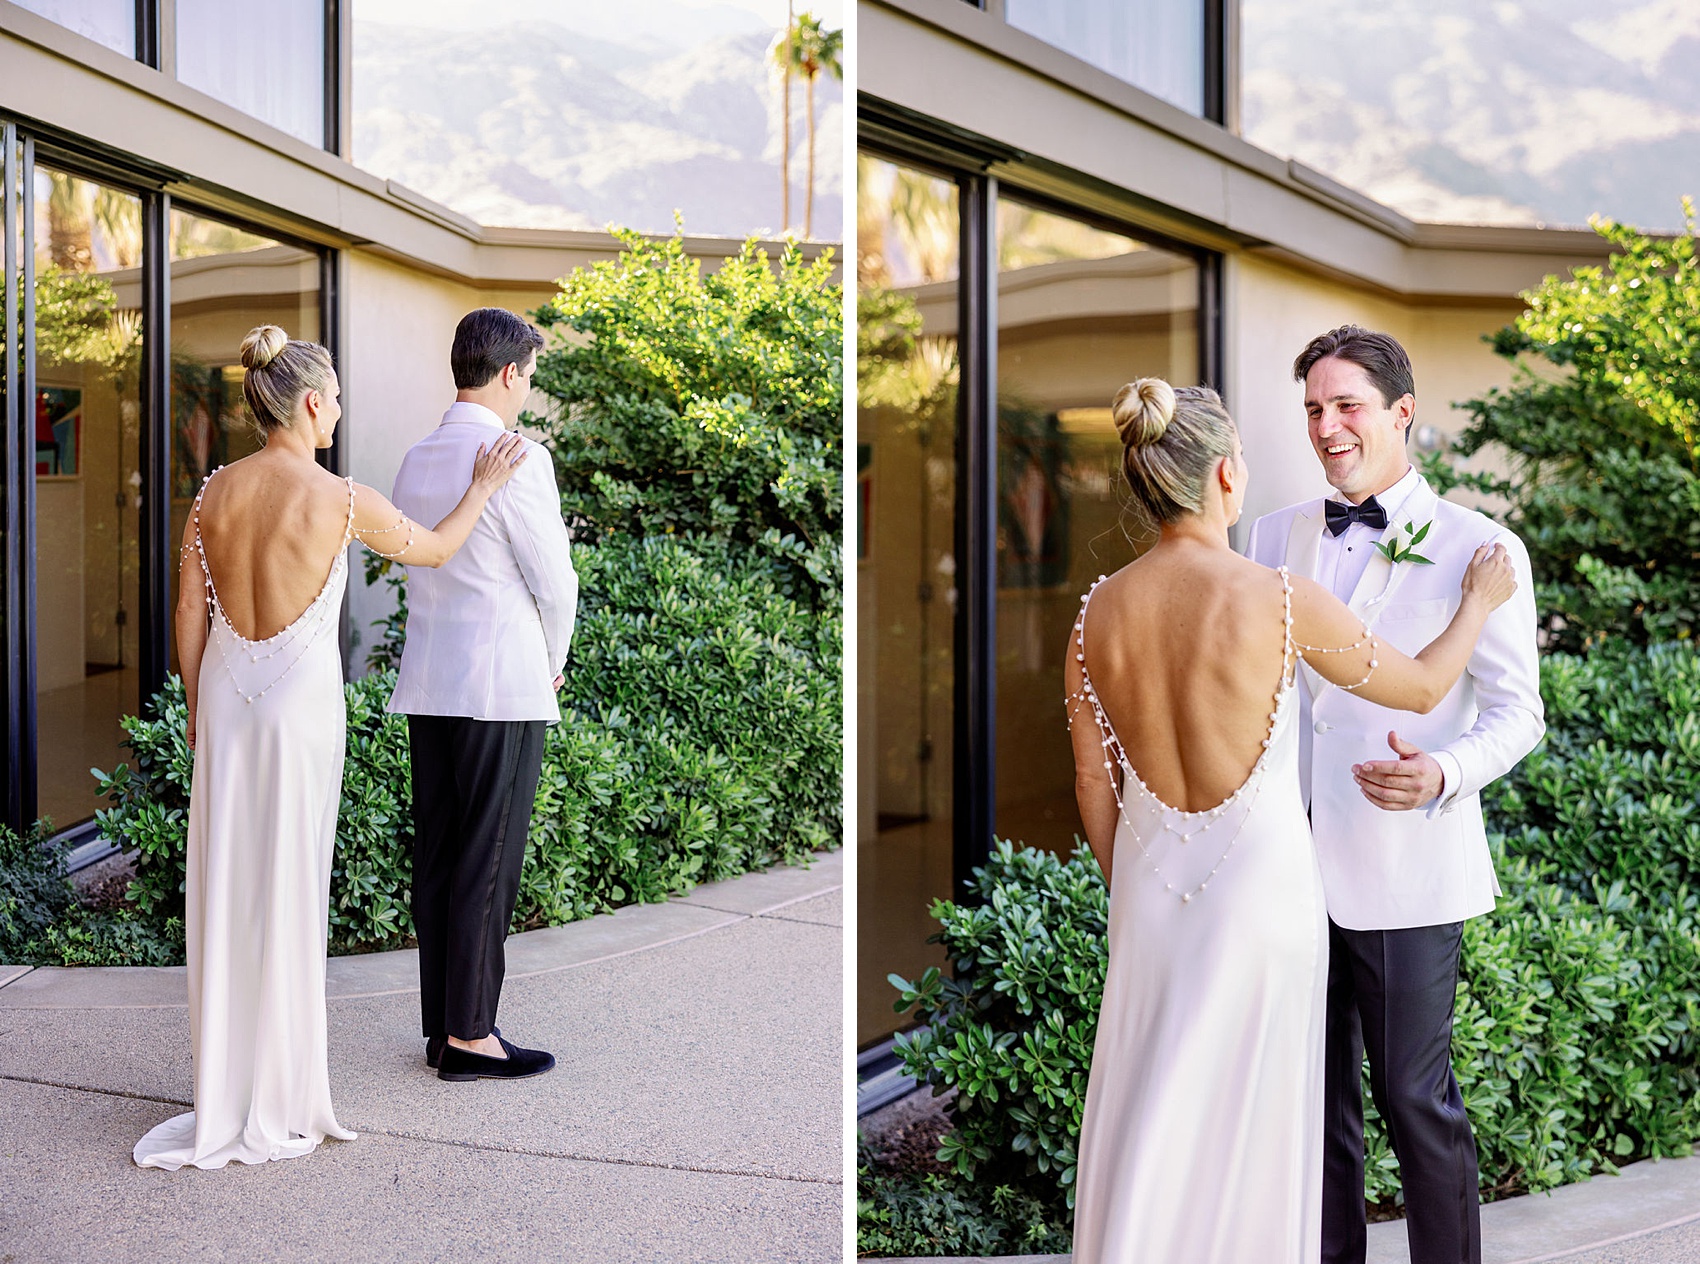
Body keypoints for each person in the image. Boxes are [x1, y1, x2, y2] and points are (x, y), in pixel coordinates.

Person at [1065, 377, 1517, 1262]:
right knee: (1261, 1125)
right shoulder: (1278, 599)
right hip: (1266, 908)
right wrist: (1478, 604)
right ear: (1228, 475)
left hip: (1150, 907)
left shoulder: (1095, 615)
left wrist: (1138, 899)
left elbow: (1093, 782)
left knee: (1154, 1110)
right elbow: (1424, 687)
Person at [135, 325, 527, 1170]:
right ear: (311, 403)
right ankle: (279, 1091)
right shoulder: (342, 499)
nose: (341, 410)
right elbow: (438, 549)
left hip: (228, 715)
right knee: (289, 886)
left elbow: (187, 617)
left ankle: (230, 1088)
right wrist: (485, 485)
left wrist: (201, 714)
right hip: (302, 717)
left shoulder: (212, 495)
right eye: (338, 397)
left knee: (229, 886)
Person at [1245, 326, 1544, 1264]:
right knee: (1314, 1107)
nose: (1327, 427)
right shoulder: (1270, 535)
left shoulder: (1481, 549)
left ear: (1401, 412)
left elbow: (1518, 713)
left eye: (1347, 407)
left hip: (1407, 865)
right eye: (1313, 411)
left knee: (1417, 1103)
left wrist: (1445, 774)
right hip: (1288, 868)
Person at [387, 307, 577, 1083]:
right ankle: (470, 1037)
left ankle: (444, 1028)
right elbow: (555, 581)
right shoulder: (517, 457)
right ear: (507, 373)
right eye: (529, 376)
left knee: (440, 858)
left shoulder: (415, 456)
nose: (528, 391)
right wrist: (554, 660)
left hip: (431, 684)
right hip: (501, 686)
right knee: (487, 864)